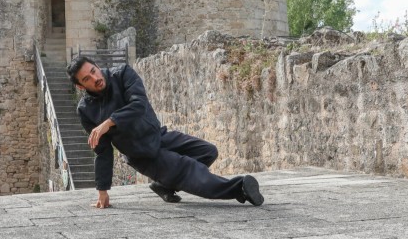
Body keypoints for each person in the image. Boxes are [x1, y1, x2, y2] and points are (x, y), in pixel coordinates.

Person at [67, 55, 264, 209]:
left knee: (208, 152)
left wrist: (109, 122)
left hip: (159, 136)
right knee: (187, 169)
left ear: (97, 66)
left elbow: (139, 104)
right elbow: (102, 151)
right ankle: (239, 189)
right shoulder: (85, 110)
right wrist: (102, 191)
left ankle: (164, 185)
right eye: (87, 78)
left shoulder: (122, 74)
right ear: (80, 86)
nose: (95, 78)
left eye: (93, 71)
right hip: (143, 155)